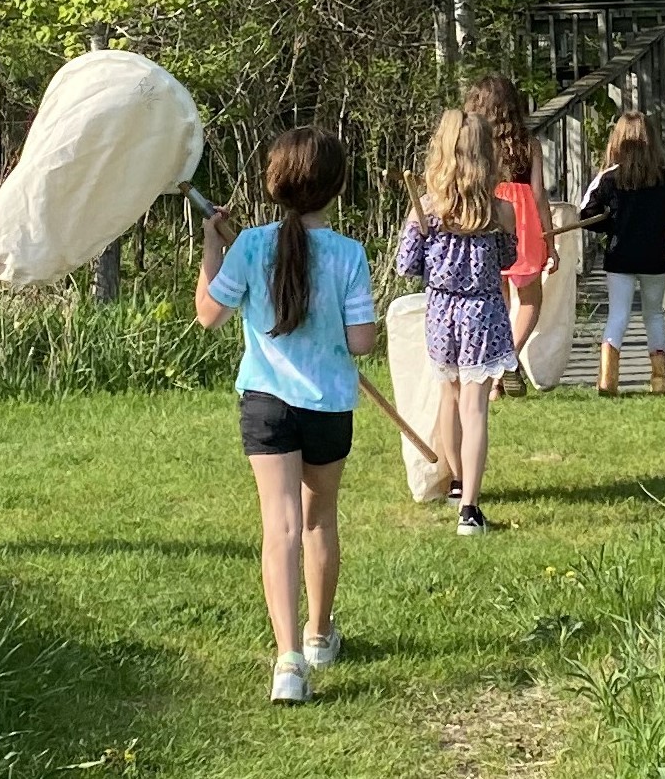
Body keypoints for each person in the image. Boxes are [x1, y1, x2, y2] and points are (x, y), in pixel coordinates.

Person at [194, 127, 377, 705]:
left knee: (281, 527)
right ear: (335, 187)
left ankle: (289, 662)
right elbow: (363, 341)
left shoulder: (248, 244)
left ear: (275, 183)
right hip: (328, 406)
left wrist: (212, 246)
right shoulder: (349, 253)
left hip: (266, 406)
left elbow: (208, 315)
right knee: (319, 519)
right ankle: (320, 636)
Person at [397, 110, 517, 535]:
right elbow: (509, 260)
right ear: (486, 156)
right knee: (475, 406)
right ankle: (470, 508)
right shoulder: (500, 211)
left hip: (442, 312)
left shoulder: (427, 209)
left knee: (449, 398)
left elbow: (406, 265)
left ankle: (458, 484)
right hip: (482, 311)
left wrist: (424, 233)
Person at [463, 74, 557, 398]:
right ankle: (509, 358)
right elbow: (540, 194)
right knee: (531, 298)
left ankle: (495, 378)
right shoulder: (529, 144)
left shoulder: (476, 146)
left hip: (489, 220)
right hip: (524, 225)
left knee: (498, 300)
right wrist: (550, 242)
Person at [578, 111, 665, 397]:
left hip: (620, 256)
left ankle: (607, 381)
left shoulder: (608, 179)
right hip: (654, 257)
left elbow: (586, 213)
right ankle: (659, 380)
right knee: (654, 315)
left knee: (618, 315)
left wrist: (612, 222)